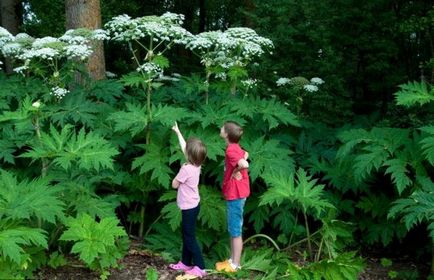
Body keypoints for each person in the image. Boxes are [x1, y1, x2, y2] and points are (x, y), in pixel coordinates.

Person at [168, 122, 207, 279]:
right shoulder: (196, 165)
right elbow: (185, 147)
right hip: (193, 205)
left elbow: (174, 184)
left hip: (189, 208)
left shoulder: (186, 169)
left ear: (189, 156)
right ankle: (185, 262)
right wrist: (178, 132)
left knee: (189, 237)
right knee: (187, 235)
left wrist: (179, 174)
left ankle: (200, 267)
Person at [215, 121, 250, 273]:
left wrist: (239, 167)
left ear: (227, 134)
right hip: (237, 192)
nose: (220, 128)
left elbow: (245, 163)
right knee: (233, 228)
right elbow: (245, 153)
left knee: (235, 230)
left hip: (236, 194)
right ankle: (232, 260)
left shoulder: (231, 151)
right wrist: (237, 168)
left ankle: (236, 264)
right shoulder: (235, 147)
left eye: (223, 127)